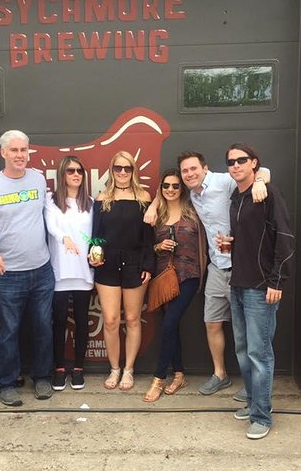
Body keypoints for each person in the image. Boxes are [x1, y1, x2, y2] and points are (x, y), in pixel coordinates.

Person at [144, 151, 269, 400]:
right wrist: (154, 204)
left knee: (246, 332)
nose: (189, 174)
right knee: (212, 323)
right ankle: (220, 375)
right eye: (185, 171)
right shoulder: (193, 196)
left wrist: (259, 182)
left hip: (240, 268)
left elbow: (263, 171)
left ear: (204, 168)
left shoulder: (222, 181)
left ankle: (253, 386)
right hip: (215, 268)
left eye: (193, 169)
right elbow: (166, 194)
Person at [0, 130, 55, 406]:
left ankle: (42, 377)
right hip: (6, 274)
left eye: (24, 150)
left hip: (42, 270)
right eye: (14, 150)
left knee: (43, 328)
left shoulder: (38, 179)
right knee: (8, 331)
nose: (20, 155)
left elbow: (48, 216)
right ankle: (5, 383)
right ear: (3, 153)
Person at [223, 143, 294, 440]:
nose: (236, 165)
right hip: (237, 284)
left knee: (259, 353)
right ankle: (254, 402)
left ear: (254, 163)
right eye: (231, 162)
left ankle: (262, 416)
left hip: (261, 287)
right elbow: (251, 239)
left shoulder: (268, 194)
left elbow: (285, 239)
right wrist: (229, 245)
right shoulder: (236, 196)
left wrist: (276, 282)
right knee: (243, 350)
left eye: (241, 160)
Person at [90, 151, 155, 391]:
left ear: (133, 171)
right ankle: (114, 369)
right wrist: (93, 254)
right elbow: (96, 234)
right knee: (110, 321)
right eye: (118, 168)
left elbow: (148, 238)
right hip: (106, 263)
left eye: (128, 168)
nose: (123, 172)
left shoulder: (143, 197)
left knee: (133, 319)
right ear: (112, 170)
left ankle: (129, 369)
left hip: (135, 264)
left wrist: (148, 265)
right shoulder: (103, 197)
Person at [143, 169, 207, 402]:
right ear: (160, 188)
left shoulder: (194, 211)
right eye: (166, 185)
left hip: (189, 275)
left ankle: (159, 378)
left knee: (169, 323)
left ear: (182, 189)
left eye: (175, 186)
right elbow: (146, 246)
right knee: (171, 326)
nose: (170, 189)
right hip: (163, 277)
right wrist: (158, 247)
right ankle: (179, 375)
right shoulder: (156, 215)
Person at [44, 156, 94, 391]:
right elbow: (51, 226)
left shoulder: (91, 203)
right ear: (62, 174)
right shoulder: (51, 201)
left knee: (82, 322)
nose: (76, 175)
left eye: (80, 171)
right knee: (59, 322)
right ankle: (59, 368)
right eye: (71, 171)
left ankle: (79, 368)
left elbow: (95, 236)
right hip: (60, 272)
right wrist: (64, 237)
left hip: (84, 272)